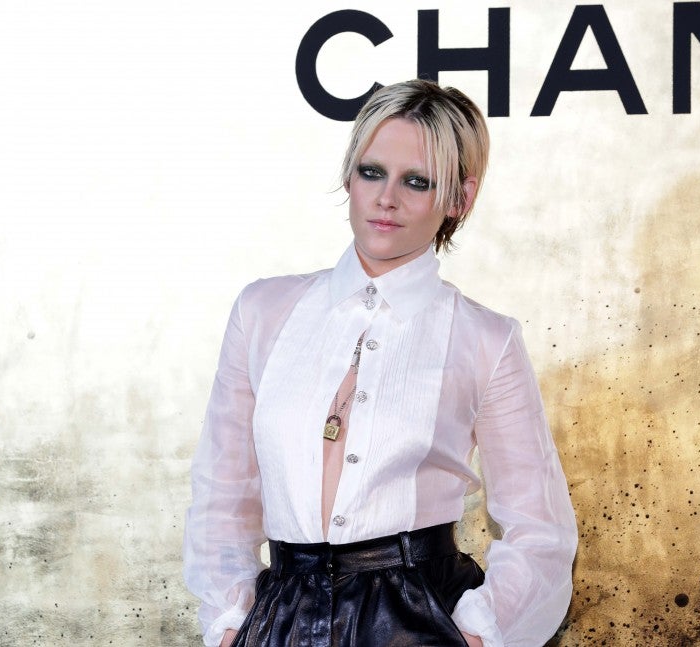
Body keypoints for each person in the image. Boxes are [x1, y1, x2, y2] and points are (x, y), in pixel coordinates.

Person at [183, 79, 577, 647]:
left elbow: (541, 530)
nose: (386, 198)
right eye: (372, 172)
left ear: (459, 199)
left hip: (419, 615)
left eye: (417, 181)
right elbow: (222, 492)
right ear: (349, 178)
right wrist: (228, 623)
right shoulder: (262, 311)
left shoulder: (487, 339)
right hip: (281, 615)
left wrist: (473, 637)